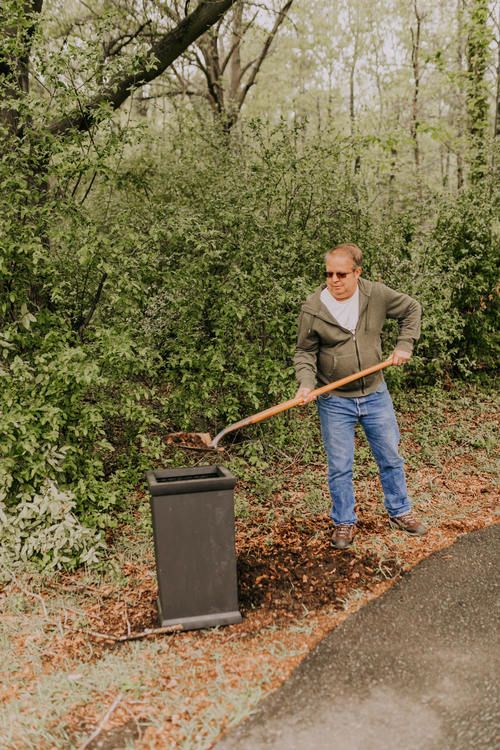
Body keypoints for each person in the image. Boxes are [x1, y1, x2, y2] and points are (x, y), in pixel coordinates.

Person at [294, 243, 426, 549]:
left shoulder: (375, 294)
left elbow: (411, 309)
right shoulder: (313, 308)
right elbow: (304, 352)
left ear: (357, 273)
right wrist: (306, 383)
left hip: (375, 393)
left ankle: (400, 511)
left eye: (341, 274)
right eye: (329, 274)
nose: (334, 280)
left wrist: (404, 344)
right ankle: (344, 521)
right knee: (340, 465)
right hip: (334, 399)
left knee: (390, 456)